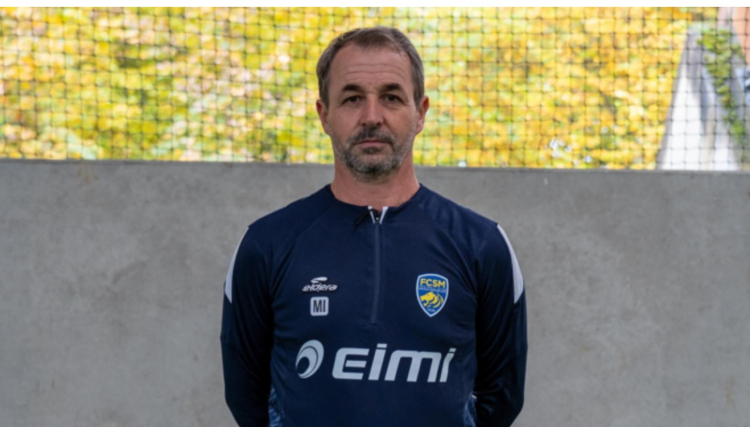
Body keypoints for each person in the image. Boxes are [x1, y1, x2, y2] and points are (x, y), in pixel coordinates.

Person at [221, 26, 527, 427]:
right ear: (324, 115)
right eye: (352, 98)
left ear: (420, 113)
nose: (371, 117)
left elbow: (501, 397)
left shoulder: (481, 244)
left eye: (391, 97)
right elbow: (247, 398)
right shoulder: (267, 244)